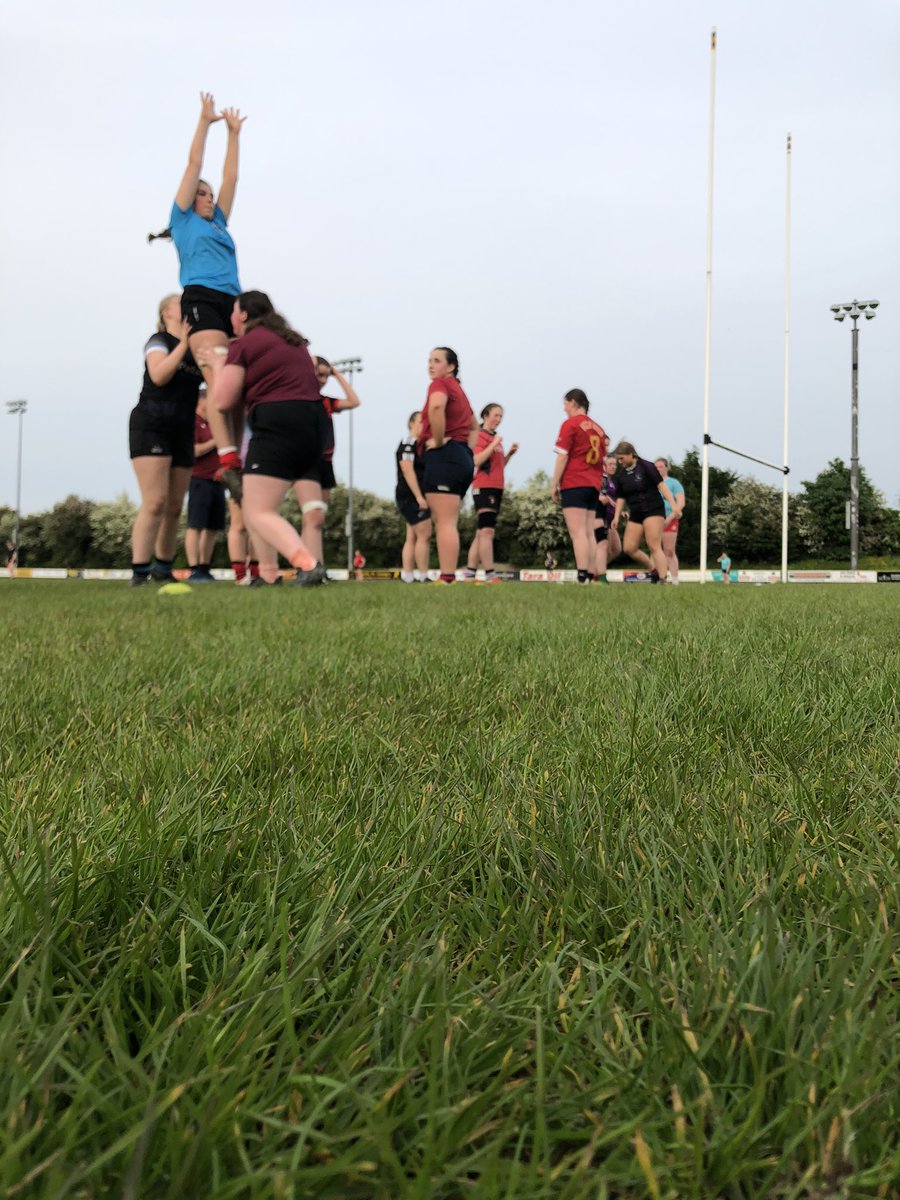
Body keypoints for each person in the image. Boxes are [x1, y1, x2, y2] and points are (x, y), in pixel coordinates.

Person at [153, 92, 247, 497]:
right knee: (218, 376)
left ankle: (236, 461)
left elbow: (232, 179)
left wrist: (234, 133)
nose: (208, 198)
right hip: (202, 299)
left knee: (239, 386)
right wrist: (205, 122)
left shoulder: (219, 221)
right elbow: (196, 166)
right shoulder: (183, 219)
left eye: (209, 195)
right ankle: (226, 458)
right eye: (202, 194)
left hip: (234, 305)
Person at [203, 291, 329, 586]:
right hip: (313, 425)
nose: (231, 318)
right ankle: (272, 576)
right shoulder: (293, 342)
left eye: (234, 312)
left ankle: (308, 565)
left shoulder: (246, 344)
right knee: (264, 507)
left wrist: (217, 364)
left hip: (277, 421)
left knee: (257, 510)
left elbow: (222, 401)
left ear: (244, 314)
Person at [128, 294, 203, 585]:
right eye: (179, 301)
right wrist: (184, 343)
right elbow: (158, 375)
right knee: (155, 502)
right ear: (166, 312)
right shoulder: (158, 340)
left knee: (174, 506)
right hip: (152, 424)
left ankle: (163, 569)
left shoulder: (198, 349)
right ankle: (139, 571)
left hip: (183, 429)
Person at [293, 357, 360, 570]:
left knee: (319, 517)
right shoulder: (299, 399)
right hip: (305, 461)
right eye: (317, 374)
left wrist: (337, 374)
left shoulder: (327, 403)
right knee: (310, 515)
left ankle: (317, 565)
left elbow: (354, 401)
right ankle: (307, 565)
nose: (320, 379)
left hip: (325, 462)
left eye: (324, 375)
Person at [419, 347, 479, 584]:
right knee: (448, 519)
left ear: (451, 366)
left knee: (444, 520)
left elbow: (435, 407)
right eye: (429, 360)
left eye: (436, 361)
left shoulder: (441, 385)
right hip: (460, 457)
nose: (430, 365)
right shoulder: (460, 391)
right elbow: (475, 426)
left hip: (446, 455)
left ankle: (446, 577)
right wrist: (466, 451)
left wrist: (441, 439)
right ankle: (448, 576)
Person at [551, 389, 607, 583]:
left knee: (577, 533)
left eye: (565, 404)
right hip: (593, 483)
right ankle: (592, 575)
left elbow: (562, 455)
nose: (564, 409)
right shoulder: (599, 429)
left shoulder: (570, 424)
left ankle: (582, 575)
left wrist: (554, 483)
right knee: (589, 532)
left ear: (574, 402)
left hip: (574, 481)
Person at [463, 404, 519, 583]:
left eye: (501, 416)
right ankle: (489, 574)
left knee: (481, 532)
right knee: (487, 532)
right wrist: (493, 444)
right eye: (496, 415)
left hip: (496, 487)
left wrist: (509, 454)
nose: (499, 419)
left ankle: (470, 574)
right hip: (483, 487)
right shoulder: (480, 435)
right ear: (485, 415)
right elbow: (476, 460)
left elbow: (498, 466)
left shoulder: (495, 438)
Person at [610, 442, 678, 583]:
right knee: (629, 548)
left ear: (631, 454)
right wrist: (616, 516)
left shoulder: (647, 466)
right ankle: (653, 569)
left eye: (622, 458)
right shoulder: (622, 475)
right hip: (636, 512)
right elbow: (621, 498)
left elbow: (662, 487)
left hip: (653, 509)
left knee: (654, 545)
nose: (620, 462)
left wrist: (674, 505)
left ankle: (662, 579)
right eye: (618, 459)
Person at [185, 389, 226, 582]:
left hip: (217, 481)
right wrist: (216, 440)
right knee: (196, 525)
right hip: (199, 479)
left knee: (212, 528)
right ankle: (194, 568)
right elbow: (194, 450)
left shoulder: (213, 423)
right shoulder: (192, 421)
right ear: (201, 400)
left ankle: (204, 567)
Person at [395, 411, 432, 583]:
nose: (423, 425)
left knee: (412, 536)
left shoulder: (421, 446)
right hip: (410, 496)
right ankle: (423, 575)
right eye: (420, 422)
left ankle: (408, 576)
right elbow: (407, 470)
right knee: (424, 534)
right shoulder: (408, 444)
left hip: (413, 495)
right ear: (411, 424)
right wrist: (419, 497)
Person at [655, 457, 686, 584]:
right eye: (655, 467)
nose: (658, 469)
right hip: (654, 519)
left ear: (667, 468)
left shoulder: (674, 483)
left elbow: (681, 503)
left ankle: (675, 580)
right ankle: (658, 577)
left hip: (669, 519)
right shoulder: (651, 483)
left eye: (660, 467)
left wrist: (670, 517)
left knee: (669, 550)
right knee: (655, 549)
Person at [594, 453, 623, 584]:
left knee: (616, 549)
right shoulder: (602, 478)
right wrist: (614, 505)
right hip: (602, 517)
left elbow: (611, 498)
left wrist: (620, 511)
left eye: (614, 464)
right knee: (604, 547)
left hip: (611, 519)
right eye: (610, 464)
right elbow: (602, 497)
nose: (613, 466)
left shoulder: (611, 481)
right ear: (604, 466)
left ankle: (595, 572)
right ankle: (598, 575)